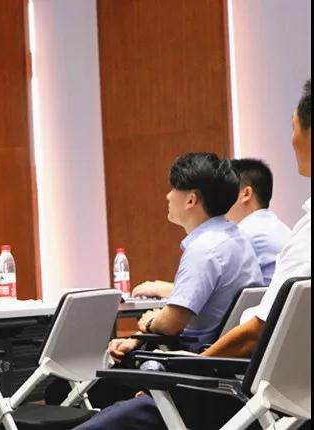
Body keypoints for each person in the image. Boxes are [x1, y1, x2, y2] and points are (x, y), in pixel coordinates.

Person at [71, 78, 311, 430]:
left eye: (293, 127)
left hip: (229, 385)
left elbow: (256, 331)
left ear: (191, 199)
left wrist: (178, 369)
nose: (167, 196)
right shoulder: (237, 236)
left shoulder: (211, 246)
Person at [133, 158, 290, 297]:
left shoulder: (241, 237)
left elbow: (210, 296)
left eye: (228, 190)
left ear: (246, 194)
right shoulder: (274, 227)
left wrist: (160, 289)